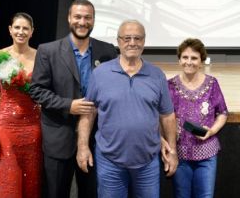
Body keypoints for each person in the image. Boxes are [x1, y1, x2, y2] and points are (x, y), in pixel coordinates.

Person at [76, 19, 178, 198]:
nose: (132, 43)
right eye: (127, 38)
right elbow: (89, 113)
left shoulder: (157, 75)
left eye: (137, 38)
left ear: (144, 42)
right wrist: (82, 146)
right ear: (118, 41)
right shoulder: (100, 74)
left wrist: (173, 151)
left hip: (148, 162)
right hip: (109, 161)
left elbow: (167, 116)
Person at [29, 0, 117, 198]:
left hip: (97, 139)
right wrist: (69, 105)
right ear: (69, 18)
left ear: (94, 20)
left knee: (91, 193)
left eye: (88, 17)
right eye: (77, 16)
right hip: (59, 137)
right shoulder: (47, 51)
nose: (82, 22)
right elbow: (37, 90)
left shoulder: (108, 50)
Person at [0, 12, 42, 198]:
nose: (21, 31)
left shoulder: (41, 56)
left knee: (32, 181)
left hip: (34, 128)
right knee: (8, 180)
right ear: (10, 30)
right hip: (5, 129)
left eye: (25, 28)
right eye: (17, 27)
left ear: (32, 32)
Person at [168, 38, 228, 198]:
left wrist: (212, 130)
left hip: (207, 153)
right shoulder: (170, 86)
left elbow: (222, 113)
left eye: (194, 58)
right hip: (179, 154)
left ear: (201, 61)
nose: (189, 62)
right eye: (185, 57)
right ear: (179, 60)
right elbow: (164, 117)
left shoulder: (212, 83)